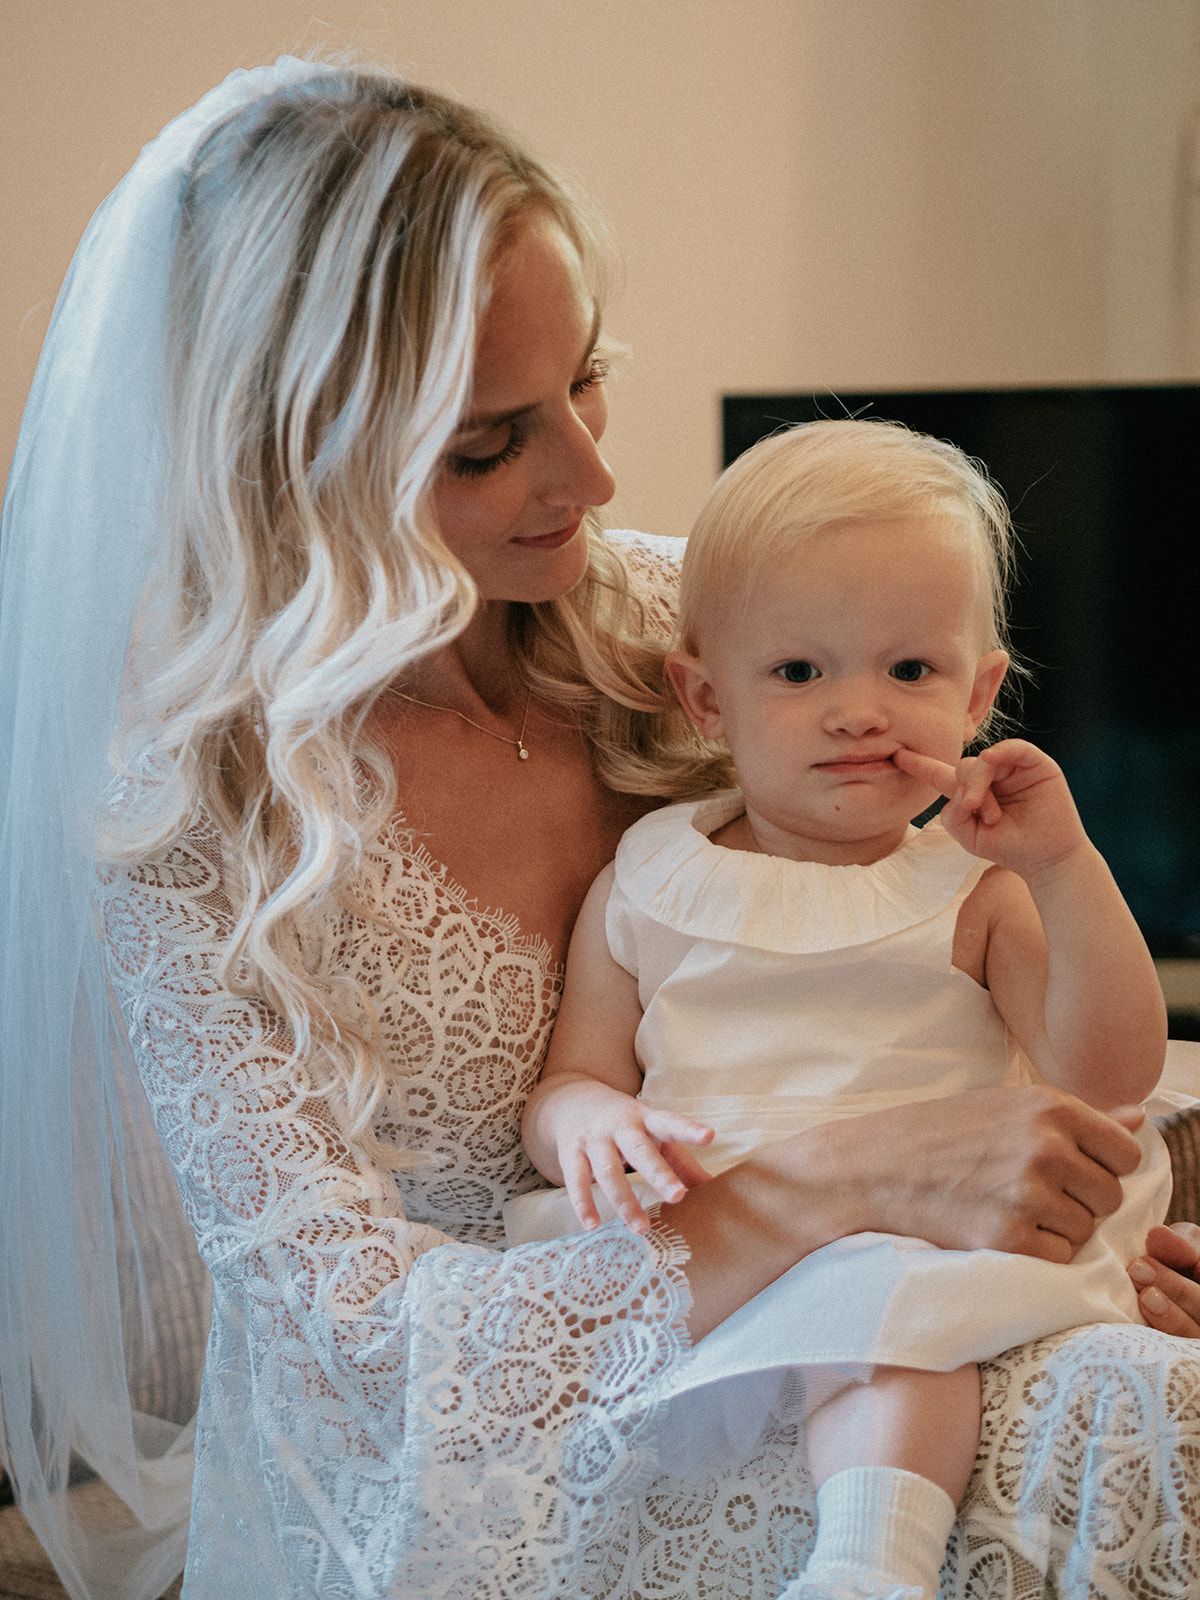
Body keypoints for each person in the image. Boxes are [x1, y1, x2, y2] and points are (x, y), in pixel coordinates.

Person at [1, 55, 1199, 1600]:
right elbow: (362, 1341)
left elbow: (973, 970)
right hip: (476, 1457)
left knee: (1145, 1402)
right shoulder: (181, 810)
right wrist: (861, 1178)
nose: (594, 474)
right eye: (487, 445)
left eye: (586, 378)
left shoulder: (670, 617)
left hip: (875, 1329)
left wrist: (1126, 1209)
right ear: (285, 455)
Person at [511, 418, 1173, 1600]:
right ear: (706, 699)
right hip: (722, 1228)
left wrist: (1065, 868)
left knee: (887, 1317)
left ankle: (869, 1564)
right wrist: (587, 1131)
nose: (859, 710)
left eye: (909, 671)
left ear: (978, 695)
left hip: (921, 1229)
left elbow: (1110, 1068)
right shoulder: (651, 875)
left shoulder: (971, 891)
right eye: (800, 672)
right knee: (842, 1297)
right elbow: (572, 1077)